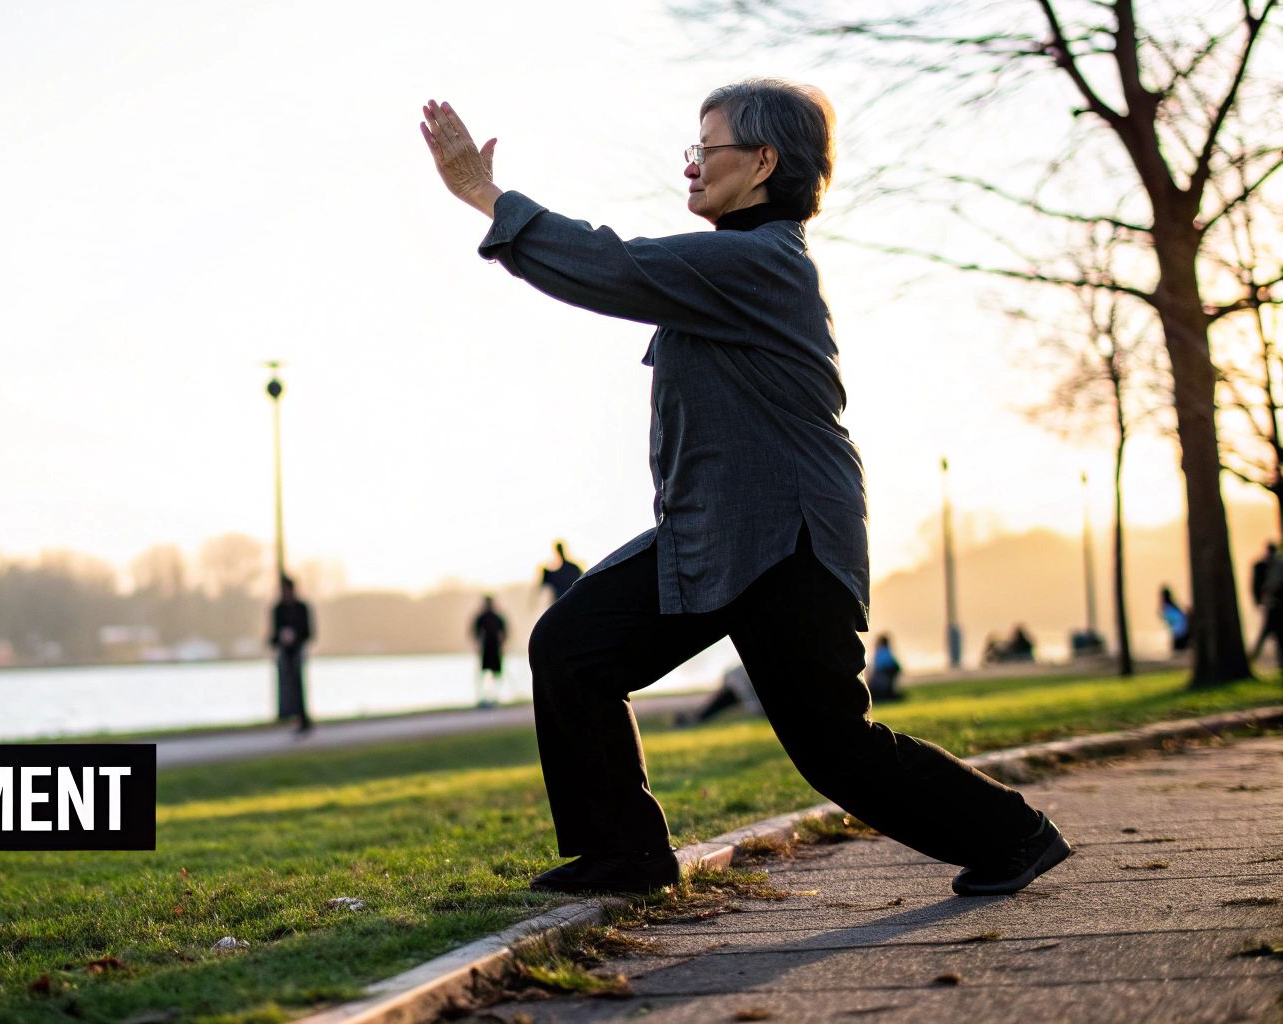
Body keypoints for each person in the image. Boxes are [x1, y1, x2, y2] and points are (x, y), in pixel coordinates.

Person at [419, 80, 1067, 898]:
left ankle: (1015, 834)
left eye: (708, 150)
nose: (691, 167)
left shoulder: (758, 261)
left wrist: (487, 197)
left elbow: (611, 266)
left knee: (834, 748)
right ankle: (626, 853)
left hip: (786, 542)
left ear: (763, 162)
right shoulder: (729, 266)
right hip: (712, 537)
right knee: (573, 648)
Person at [269, 576, 314, 733]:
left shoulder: (301, 608)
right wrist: (279, 638)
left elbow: (309, 632)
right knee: (286, 685)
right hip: (284, 652)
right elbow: (273, 633)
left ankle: (302, 718)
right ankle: (288, 715)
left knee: (298, 684)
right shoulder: (278, 609)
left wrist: (295, 637)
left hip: (298, 651)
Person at [471, 595, 509, 708]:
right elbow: (476, 633)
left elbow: (504, 633)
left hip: (494, 649)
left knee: (496, 674)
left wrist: (502, 645)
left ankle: (495, 697)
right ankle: (483, 698)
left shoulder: (497, 617)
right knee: (483, 674)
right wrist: (478, 645)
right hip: (486, 649)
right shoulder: (482, 617)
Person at [1250, 544, 1282, 662]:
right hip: (1271, 606)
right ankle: (1253, 657)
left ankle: (1253, 657)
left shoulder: (1276, 566)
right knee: (1272, 634)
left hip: (1275, 607)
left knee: (1271, 634)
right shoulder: (1263, 566)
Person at [868, 633, 903, 702]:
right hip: (889, 672)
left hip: (885, 673)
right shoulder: (887, 651)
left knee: (881, 689)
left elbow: (876, 668)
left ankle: (886, 694)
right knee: (886, 688)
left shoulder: (880, 652)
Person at [1159, 586, 1191, 654]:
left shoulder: (1167, 608)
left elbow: (1176, 623)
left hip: (1180, 635)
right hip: (1182, 634)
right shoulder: (1173, 606)